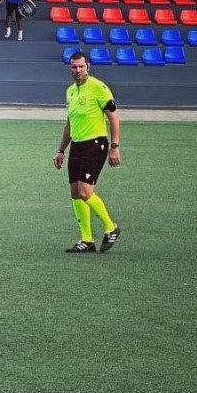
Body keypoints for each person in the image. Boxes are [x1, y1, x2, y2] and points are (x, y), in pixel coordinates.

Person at [54, 51, 122, 254]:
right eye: (74, 67)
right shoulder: (70, 92)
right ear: (70, 68)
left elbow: (114, 118)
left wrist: (115, 147)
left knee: (85, 191)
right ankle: (87, 240)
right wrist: (60, 150)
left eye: (81, 66)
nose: (78, 70)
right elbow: (69, 123)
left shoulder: (99, 88)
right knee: (75, 192)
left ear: (88, 67)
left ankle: (111, 228)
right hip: (77, 145)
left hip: (95, 144)